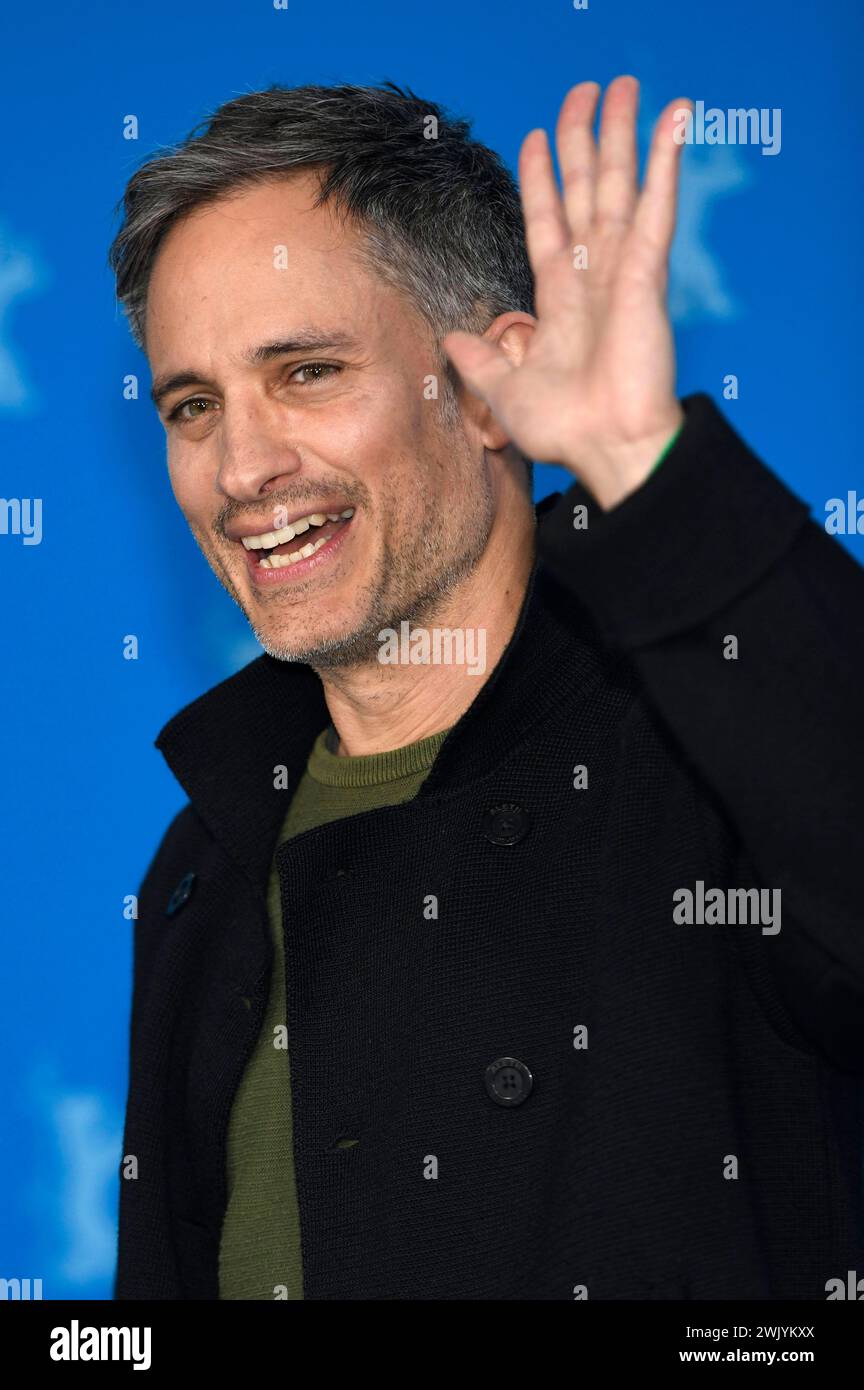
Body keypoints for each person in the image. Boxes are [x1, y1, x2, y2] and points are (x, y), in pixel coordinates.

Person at [109, 77, 864, 1300]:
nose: (242, 466)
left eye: (305, 372)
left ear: (483, 387)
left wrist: (639, 465)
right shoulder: (201, 865)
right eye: (194, 404)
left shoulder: (711, 754)